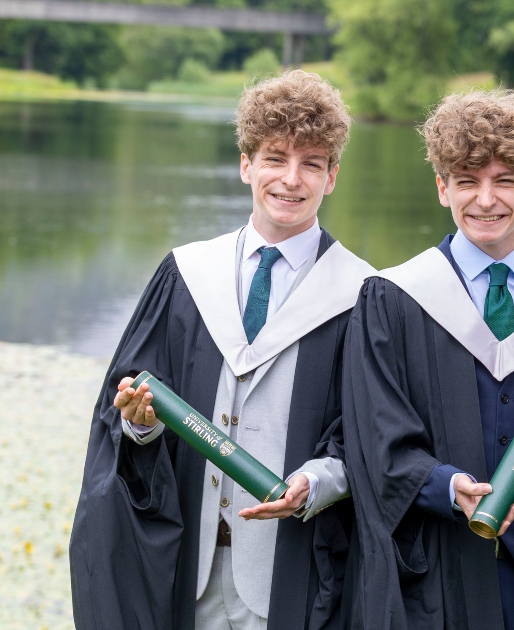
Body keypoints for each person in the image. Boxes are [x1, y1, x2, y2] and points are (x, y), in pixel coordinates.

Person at [70, 69, 375, 630]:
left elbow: (375, 436)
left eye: (311, 163)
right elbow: (129, 416)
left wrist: (320, 481)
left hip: (298, 576)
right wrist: (141, 425)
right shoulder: (187, 275)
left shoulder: (364, 296)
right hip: (189, 569)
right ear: (245, 165)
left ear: (332, 176)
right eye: (274, 158)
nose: (290, 179)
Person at [340, 89, 514, 629]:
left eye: (504, 181)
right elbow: (374, 435)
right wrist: (442, 485)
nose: (485, 200)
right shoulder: (395, 299)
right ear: (443, 188)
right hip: (433, 581)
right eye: (467, 181)